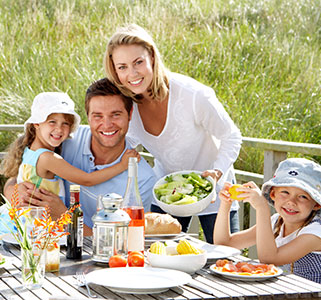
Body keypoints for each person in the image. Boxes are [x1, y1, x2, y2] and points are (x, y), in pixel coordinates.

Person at [103, 24, 242, 243]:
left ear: (152, 57)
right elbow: (117, 144)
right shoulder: (126, 105)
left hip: (214, 188)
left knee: (225, 257)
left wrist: (217, 172)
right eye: (122, 67)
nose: (132, 74)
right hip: (168, 191)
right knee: (155, 256)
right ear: (115, 70)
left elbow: (231, 136)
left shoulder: (194, 95)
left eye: (138, 62)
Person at [0, 91, 140, 240]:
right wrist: (122, 165)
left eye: (65, 124)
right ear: (37, 124)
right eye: (52, 122)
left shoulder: (30, 150)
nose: (59, 129)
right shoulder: (48, 158)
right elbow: (87, 180)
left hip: (23, 220)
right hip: (33, 225)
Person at [3, 79, 157, 235]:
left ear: (130, 114)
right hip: (37, 236)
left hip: (90, 251)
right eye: (98, 116)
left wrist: (65, 218)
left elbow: (125, 241)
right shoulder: (65, 141)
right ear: (88, 116)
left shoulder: (142, 178)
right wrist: (14, 192)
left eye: (115, 115)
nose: (107, 124)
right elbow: (18, 178)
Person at [214, 158, 321, 293]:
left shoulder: (316, 233)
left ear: (316, 204)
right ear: (273, 194)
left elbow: (269, 259)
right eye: (285, 192)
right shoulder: (277, 222)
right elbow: (224, 244)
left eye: (303, 196)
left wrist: (262, 207)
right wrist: (226, 204)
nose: (291, 201)